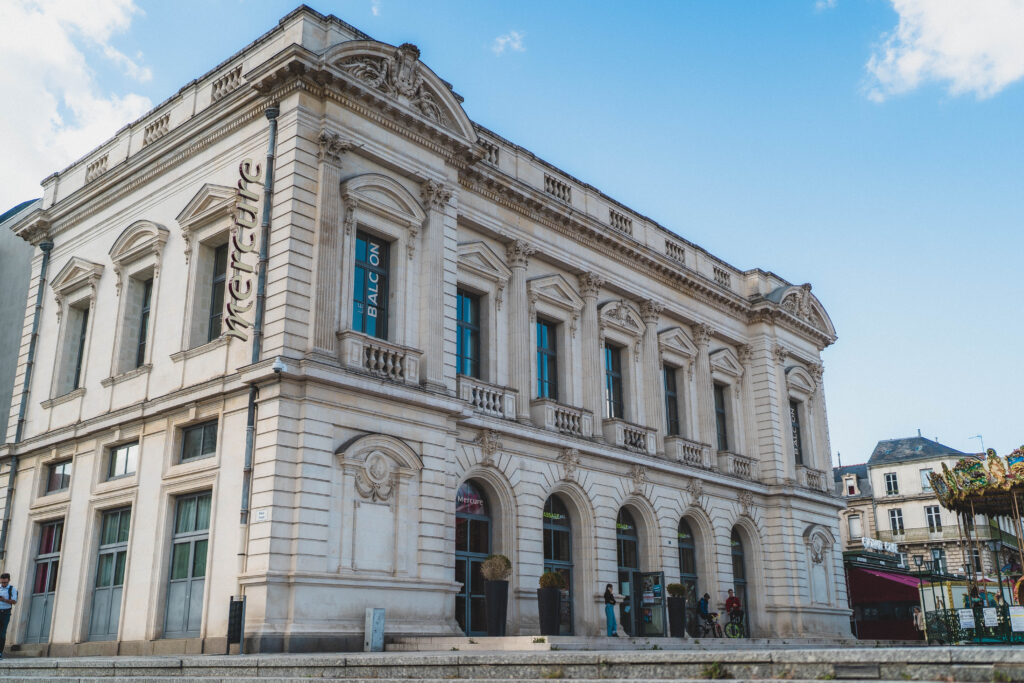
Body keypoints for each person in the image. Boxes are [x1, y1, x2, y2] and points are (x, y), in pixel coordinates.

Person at [0, 573, 17, 660]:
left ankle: (0, 652)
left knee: (2, 634)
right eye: (2, 582)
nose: (3, 584)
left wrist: (4, 600)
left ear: (9, 581)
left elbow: (14, 602)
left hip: (6, 613)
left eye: (5, 583)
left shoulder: (12, 589)